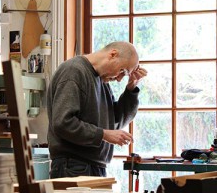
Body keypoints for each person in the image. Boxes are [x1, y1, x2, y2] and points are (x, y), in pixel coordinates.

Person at [47, 41, 148, 178]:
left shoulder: (102, 81)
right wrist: (103, 134)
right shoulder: (74, 71)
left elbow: (115, 121)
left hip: (94, 166)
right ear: (113, 55)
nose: (119, 79)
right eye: (122, 71)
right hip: (73, 167)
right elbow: (63, 123)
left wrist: (131, 88)